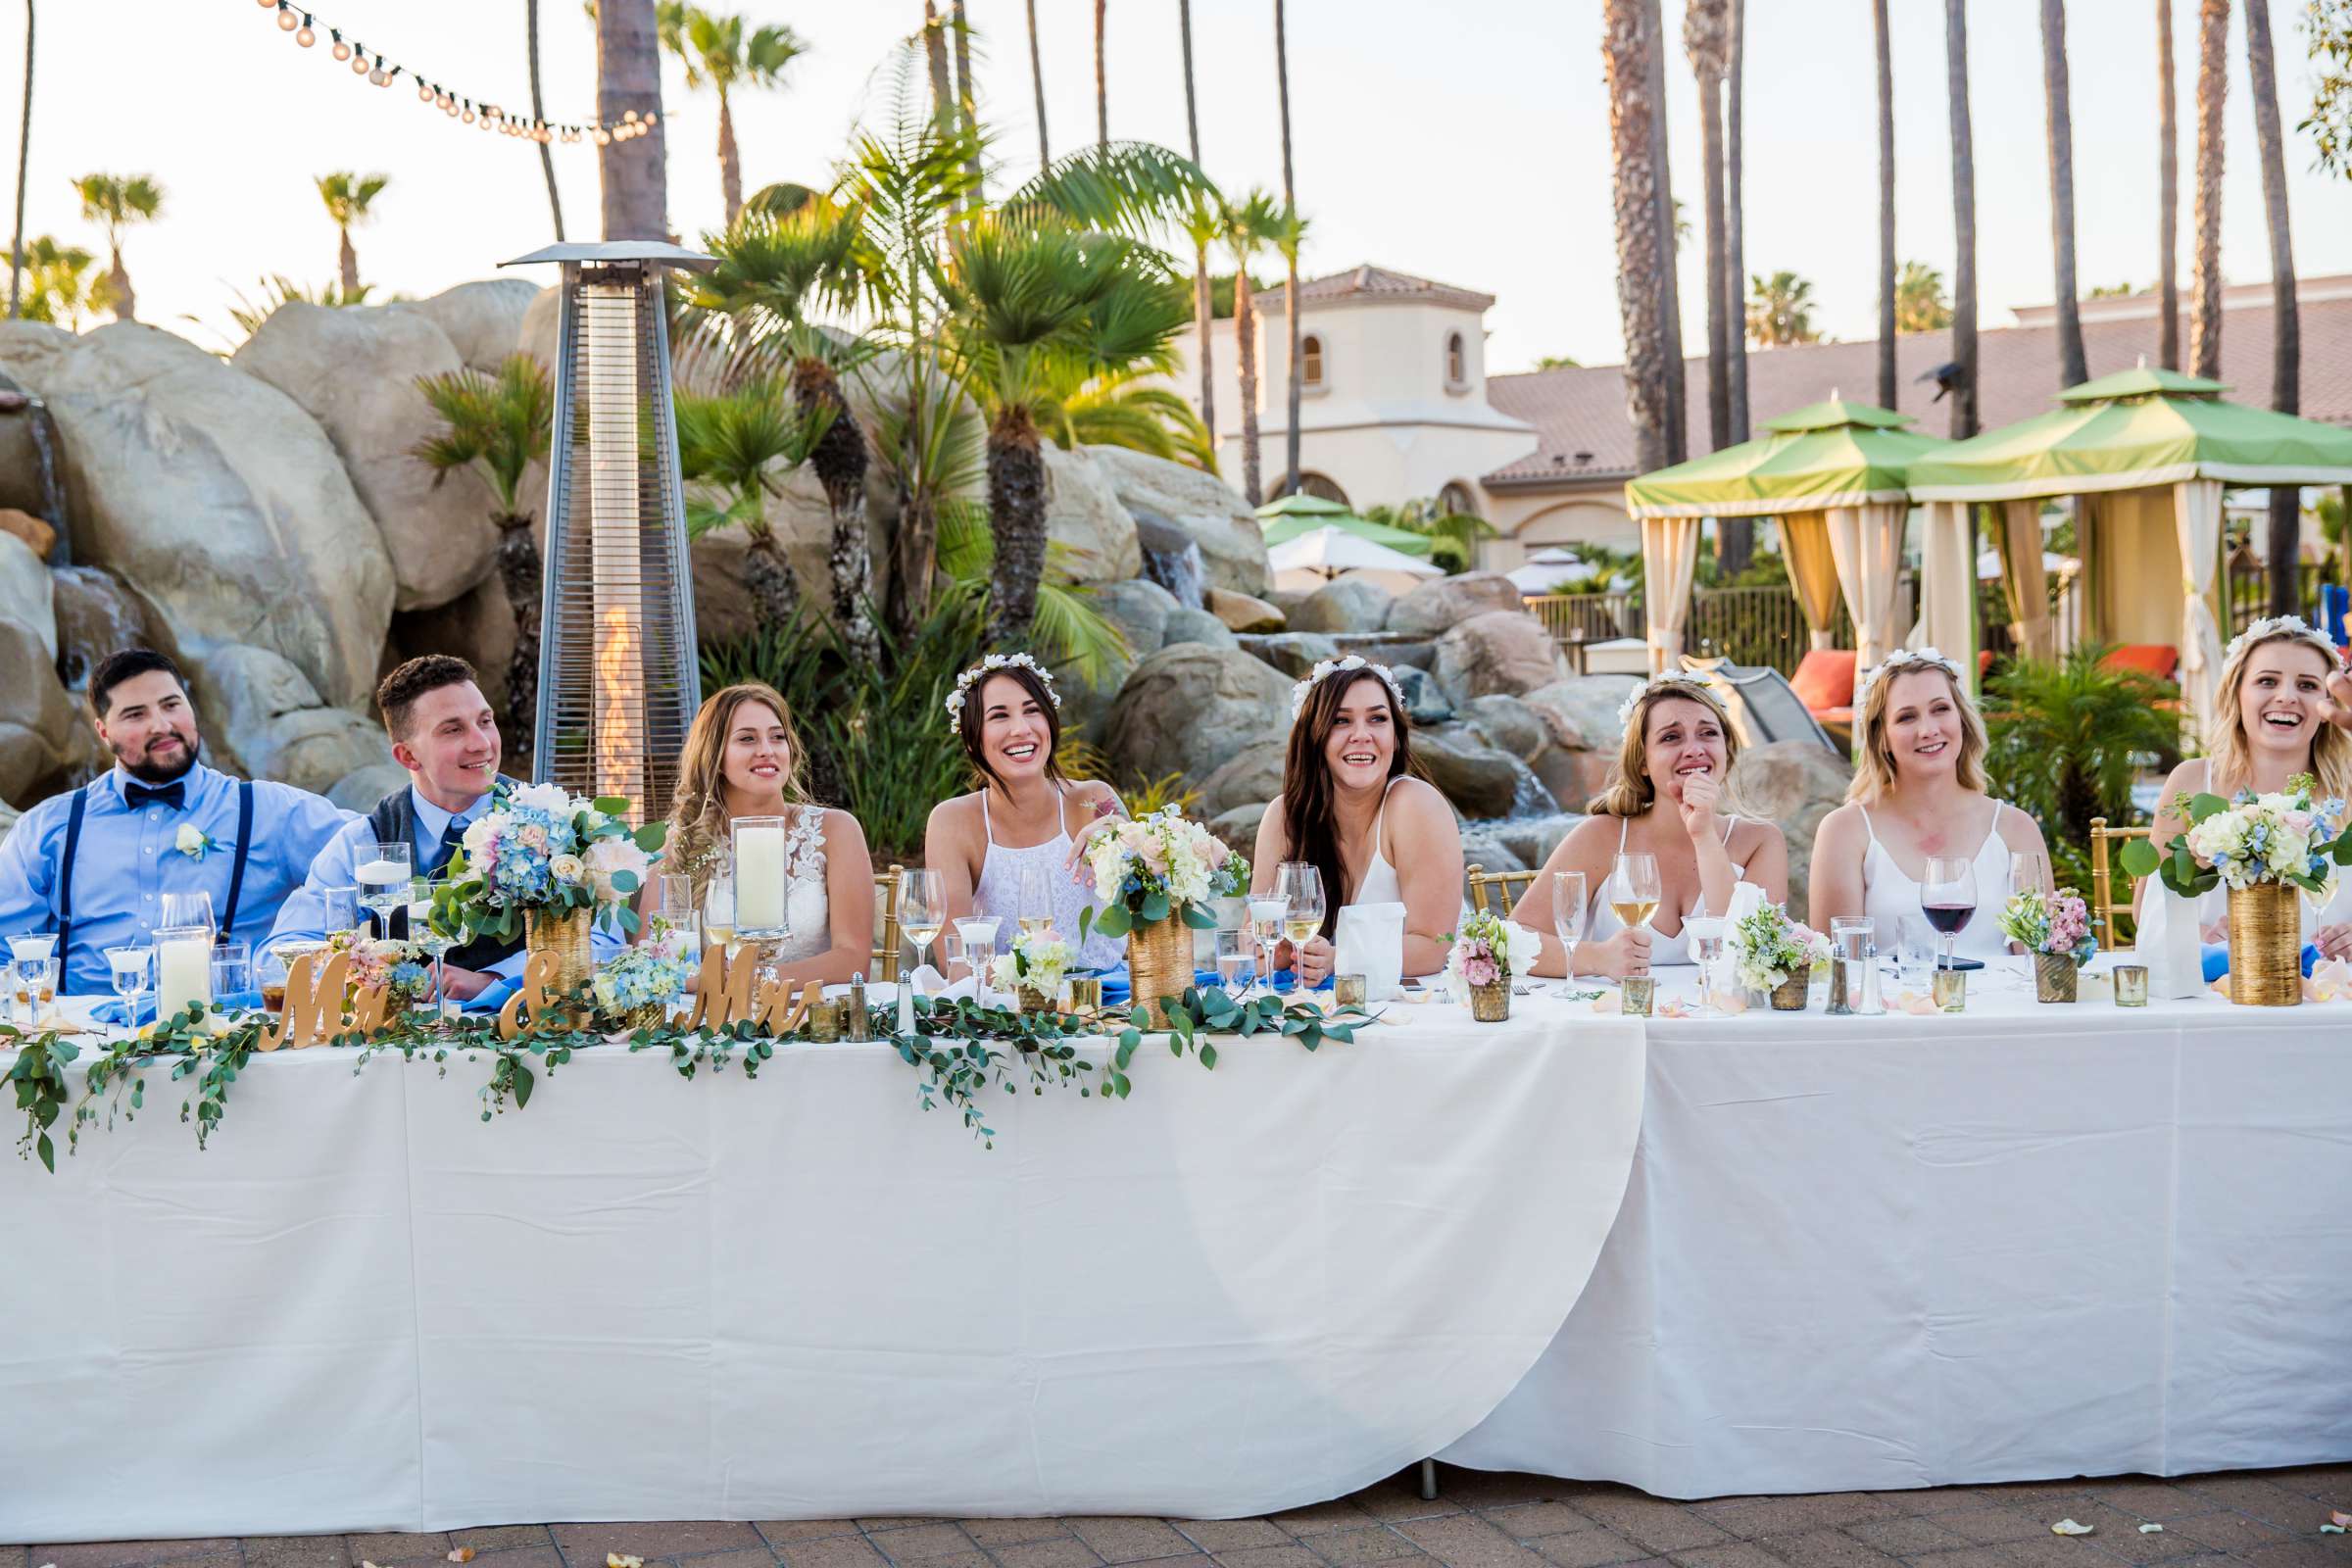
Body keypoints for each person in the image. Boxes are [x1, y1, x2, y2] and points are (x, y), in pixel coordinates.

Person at [0, 648, 351, 994]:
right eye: (136, 715)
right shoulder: (48, 827)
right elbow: (5, 949)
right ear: (103, 732)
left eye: (171, 705)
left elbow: (369, 849)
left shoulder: (267, 811)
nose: (162, 725)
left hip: (228, 1035)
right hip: (79, 1037)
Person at [267, 655, 585, 1000]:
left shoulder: (553, 824)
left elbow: (602, 941)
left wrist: (500, 979)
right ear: (407, 757)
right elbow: (283, 953)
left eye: (485, 721)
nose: (482, 743)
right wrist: (361, 973)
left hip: (533, 1037)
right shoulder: (365, 840)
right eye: (453, 729)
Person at [1514, 672, 1788, 978]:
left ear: (1726, 748)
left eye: (1708, 733)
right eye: (1671, 737)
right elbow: (1518, 938)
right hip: (1617, 1019)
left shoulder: (1761, 842)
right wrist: (1597, 958)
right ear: (1642, 760)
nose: (1694, 749)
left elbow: (1754, 957)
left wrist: (1704, 836)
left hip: (1722, 1020)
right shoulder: (1600, 837)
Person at [1808, 647, 2052, 959]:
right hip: (1893, 1007)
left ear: (1962, 719)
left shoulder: (2015, 829)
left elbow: (2038, 964)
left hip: (2000, 1007)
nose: (1928, 730)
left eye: (1940, 709)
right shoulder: (1845, 831)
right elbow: (1839, 974)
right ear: (1882, 737)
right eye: (1907, 717)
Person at [2138, 615, 2352, 961]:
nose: (2286, 697)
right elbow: (2149, 913)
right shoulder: (2192, 782)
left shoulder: (2350, 786)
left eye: (2307, 686)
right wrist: (2204, 938)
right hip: (2219, 994)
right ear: (2236, 692)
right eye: (2267, 681)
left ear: (2329, 704)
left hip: (2334, 996)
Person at [1251, 656, 1462, 986]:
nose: (1361, 735)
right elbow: (1256, 951)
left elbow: (1434, 948)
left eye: (1377, 718)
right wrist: (1279, 954)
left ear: (1395, 735)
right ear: (1313, 736)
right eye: (1341, 721)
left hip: (1434, 1005)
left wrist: (1341, 957)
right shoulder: (1284, 818)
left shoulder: (1414, 805)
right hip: (1339, 1013)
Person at [925, 655, 1127, 973]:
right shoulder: (952, 822)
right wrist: (1032, 978)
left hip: (1111, 1003)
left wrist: (1125, 843)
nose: (1021, 729)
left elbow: (1152, 901)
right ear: (971, 738)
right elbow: (958, 965)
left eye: (1032, 711)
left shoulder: (1093, 801)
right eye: (999, 716)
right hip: (1006, 1010)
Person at [664, 682, 875, 988]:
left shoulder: (835, 830)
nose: (767, 750)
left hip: (814, 1020)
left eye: (778, 737)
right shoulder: (686, 840)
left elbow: (854, 960)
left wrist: (757, 981)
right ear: (715, 756)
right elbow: (655, 962)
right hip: (715, 1025)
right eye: (747, 739)